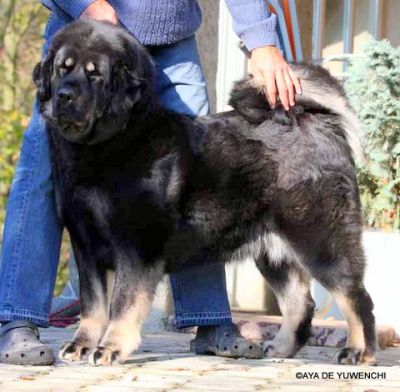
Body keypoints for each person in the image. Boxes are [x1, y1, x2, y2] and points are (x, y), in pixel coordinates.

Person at [0, 0, 301, 365]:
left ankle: (209, 321)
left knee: (200, 173)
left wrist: (260, 39)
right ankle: (18, 319)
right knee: (42, 173)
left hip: (171, 41)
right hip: (84, 34)